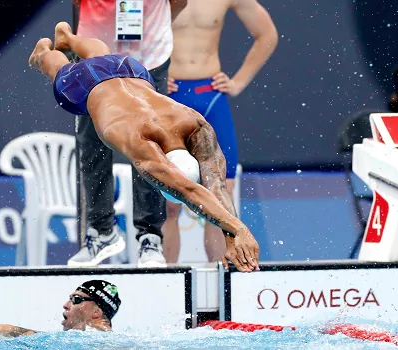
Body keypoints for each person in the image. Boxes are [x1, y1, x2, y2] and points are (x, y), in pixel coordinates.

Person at [29, 22, 260, 271]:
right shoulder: (148, 141)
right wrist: (238, 228)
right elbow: (192, 190)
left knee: (101, 57)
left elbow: (215, 184)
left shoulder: (190, 121)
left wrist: (234, 233)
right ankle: (42, 53)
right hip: (88, 86)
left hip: (130, 69)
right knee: (58, 68)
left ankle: (69, 38)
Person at [69, 0, 188, 269]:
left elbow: (180, 2)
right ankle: (101, 232)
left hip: (150, 57)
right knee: (93, 145)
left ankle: (149, 236)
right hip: (94, 59)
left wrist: (155, 28)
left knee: (150, 145)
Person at [162, 0, 278, 263]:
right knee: (169, 203)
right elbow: (127, 38)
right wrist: (149, 74)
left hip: (210, 97)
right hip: (169, 97)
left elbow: (267, 34)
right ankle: (165, 281)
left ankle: (219, 282)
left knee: (219, 200)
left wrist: (238, 82)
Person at [0, 280, 122, 336]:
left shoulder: (97, 339)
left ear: (97, 312)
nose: (66, 305)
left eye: (76, 299)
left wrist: (10, 330)